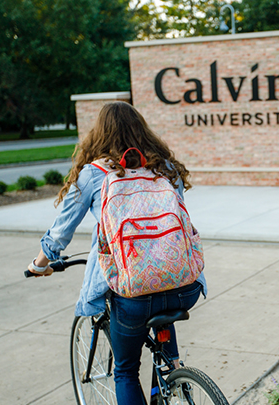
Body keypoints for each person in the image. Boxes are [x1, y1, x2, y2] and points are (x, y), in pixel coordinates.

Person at [27, 101, 207, 405]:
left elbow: (61, 231)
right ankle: (174, 367)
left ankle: (170, 370)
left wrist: (39, 263)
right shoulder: (164, 166)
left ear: (99, 134)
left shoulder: (93, 174)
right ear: (142, 130)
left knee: (125, 371)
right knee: (161, 282)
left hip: (133, 292)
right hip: (185, 286)